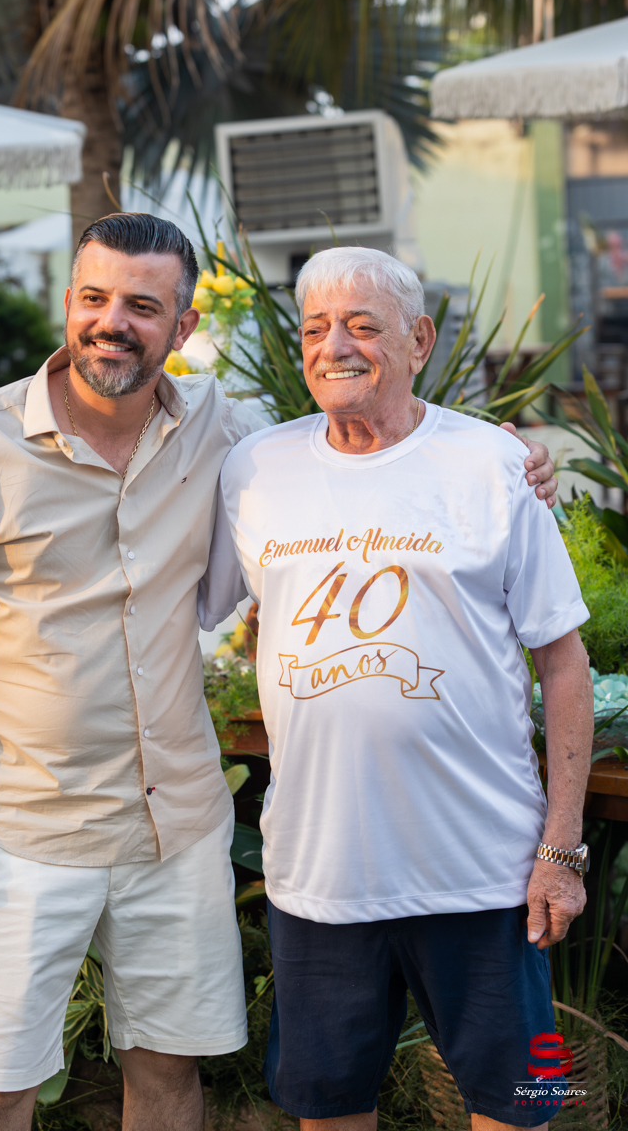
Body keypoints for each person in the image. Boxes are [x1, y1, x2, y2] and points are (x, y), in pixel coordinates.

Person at [0, 214, 558, 1131]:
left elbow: (360, 453)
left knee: (169, 1073)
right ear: (68, 304)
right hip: (19, 828)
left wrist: (509, 459)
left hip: (178, 824)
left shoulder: (229, 436)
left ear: (183, 326)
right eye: (94, 298)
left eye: (142, 306)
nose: (113, 322)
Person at [199, 246, 594, 1131]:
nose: (334, 345)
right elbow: (185, 597)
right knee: (328, 1108)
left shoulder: (492, 463)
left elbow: (564, 663)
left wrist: (562, 850)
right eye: (315, 328)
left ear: (418, 340)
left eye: (361, 325)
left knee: (521, 1108)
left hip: (484, 872)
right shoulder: (255, 469)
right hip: (320, 876)